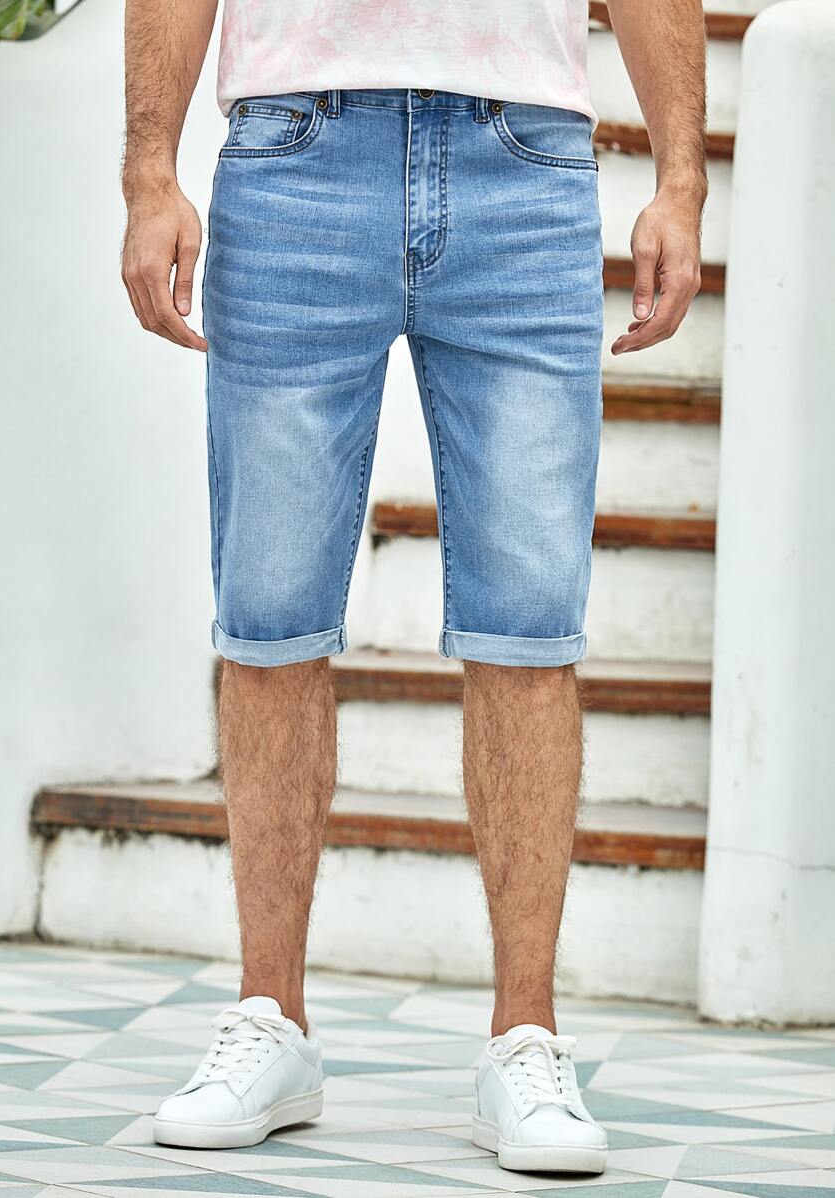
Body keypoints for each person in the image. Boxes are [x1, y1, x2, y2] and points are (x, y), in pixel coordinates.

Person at [121, 0, 707, 1175]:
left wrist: (681, 180)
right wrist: (148, 171)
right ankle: (270, 1018)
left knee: (529, 624)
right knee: (269, 613)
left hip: (524, 159)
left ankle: (526, 1036)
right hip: (293, 151)